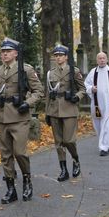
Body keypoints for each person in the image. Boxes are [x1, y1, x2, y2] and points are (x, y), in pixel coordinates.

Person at [0, 37, 44, 204]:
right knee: (5, 155)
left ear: (15, 53)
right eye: (3, 52)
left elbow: (39, 91)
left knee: (19, 152)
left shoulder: (25, 70)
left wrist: (27, 103)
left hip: (19, 117)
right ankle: (10, 189)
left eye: (8, 51)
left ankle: (27, 181)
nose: (4, 54)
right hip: (1, 118)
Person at [45, 44, 86, 182]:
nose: (58, 58)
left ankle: (76, 160)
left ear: (66, 57)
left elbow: (83, 89)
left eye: (60, 55)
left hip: (69, 109)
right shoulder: (50, 73)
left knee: (69, 140)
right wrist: (47, 113)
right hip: (54, 109)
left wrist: (77, 97)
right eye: (56, 55)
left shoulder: (73, 71)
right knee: (59, 142)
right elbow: (48, 94)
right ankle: (63, 169)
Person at [84, 52, 109, 156]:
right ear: (97, 60)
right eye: (99, 58)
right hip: (96, 104)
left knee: (107, 125)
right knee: (98, 126)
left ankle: (104, 148)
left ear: (107, 59)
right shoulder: (93, 72)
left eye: (103, 58)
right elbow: (86, 84)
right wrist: (91, 88)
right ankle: (106, 144)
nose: (101, 60)